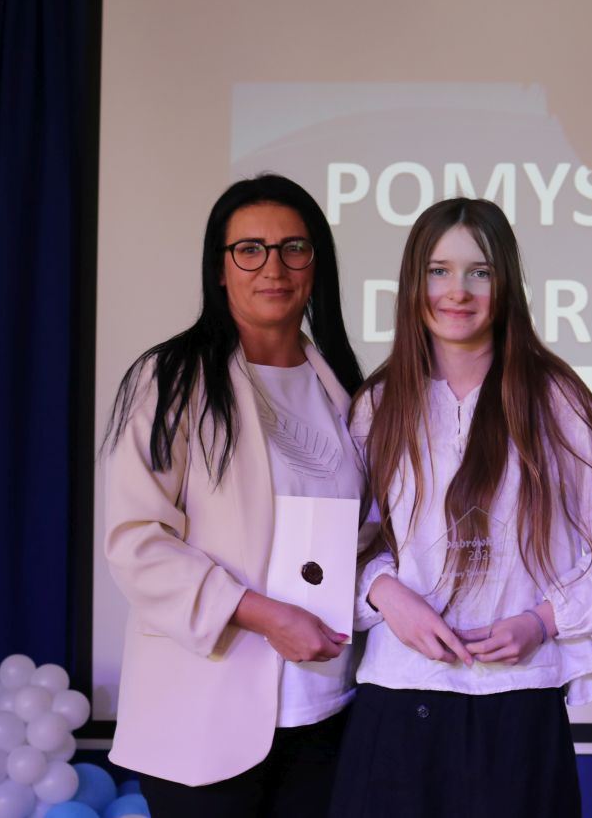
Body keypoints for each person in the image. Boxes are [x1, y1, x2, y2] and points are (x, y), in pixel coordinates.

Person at [332, 198, 592, 818]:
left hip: (518, 705)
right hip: (399, 701)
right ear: (413, 283)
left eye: (479, 271)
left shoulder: (556, 401)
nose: (458, 290)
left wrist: (543, 621)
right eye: (439, 270)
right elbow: (340, 545)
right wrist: (384, 593)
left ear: (506, 284)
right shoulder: (379, 405)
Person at [102, 174, 365, 818]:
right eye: (250, 249)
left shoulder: (346, 388)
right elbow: (136, 543)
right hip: (204, 717)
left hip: (325, 715)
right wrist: (262, 613)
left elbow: (368, 533)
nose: (273, 267)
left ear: (316, 265)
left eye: (293, 248)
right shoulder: (170, 379)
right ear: (220, 270)